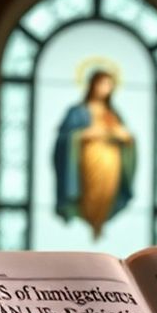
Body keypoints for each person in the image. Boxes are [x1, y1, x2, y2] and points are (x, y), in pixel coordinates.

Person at [53, 69, 137, 238]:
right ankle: (90, 218)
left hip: (111, 162)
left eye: (109, 85)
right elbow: (63, 139)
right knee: (90, 191)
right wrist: (83, 135)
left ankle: (100, 221)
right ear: (93, 85)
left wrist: (126, 139)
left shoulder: (113, 114)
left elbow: (124, 135)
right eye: (103, 84)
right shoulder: (78, 111)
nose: (106, 88)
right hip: (89, 160)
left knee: (106, 194)